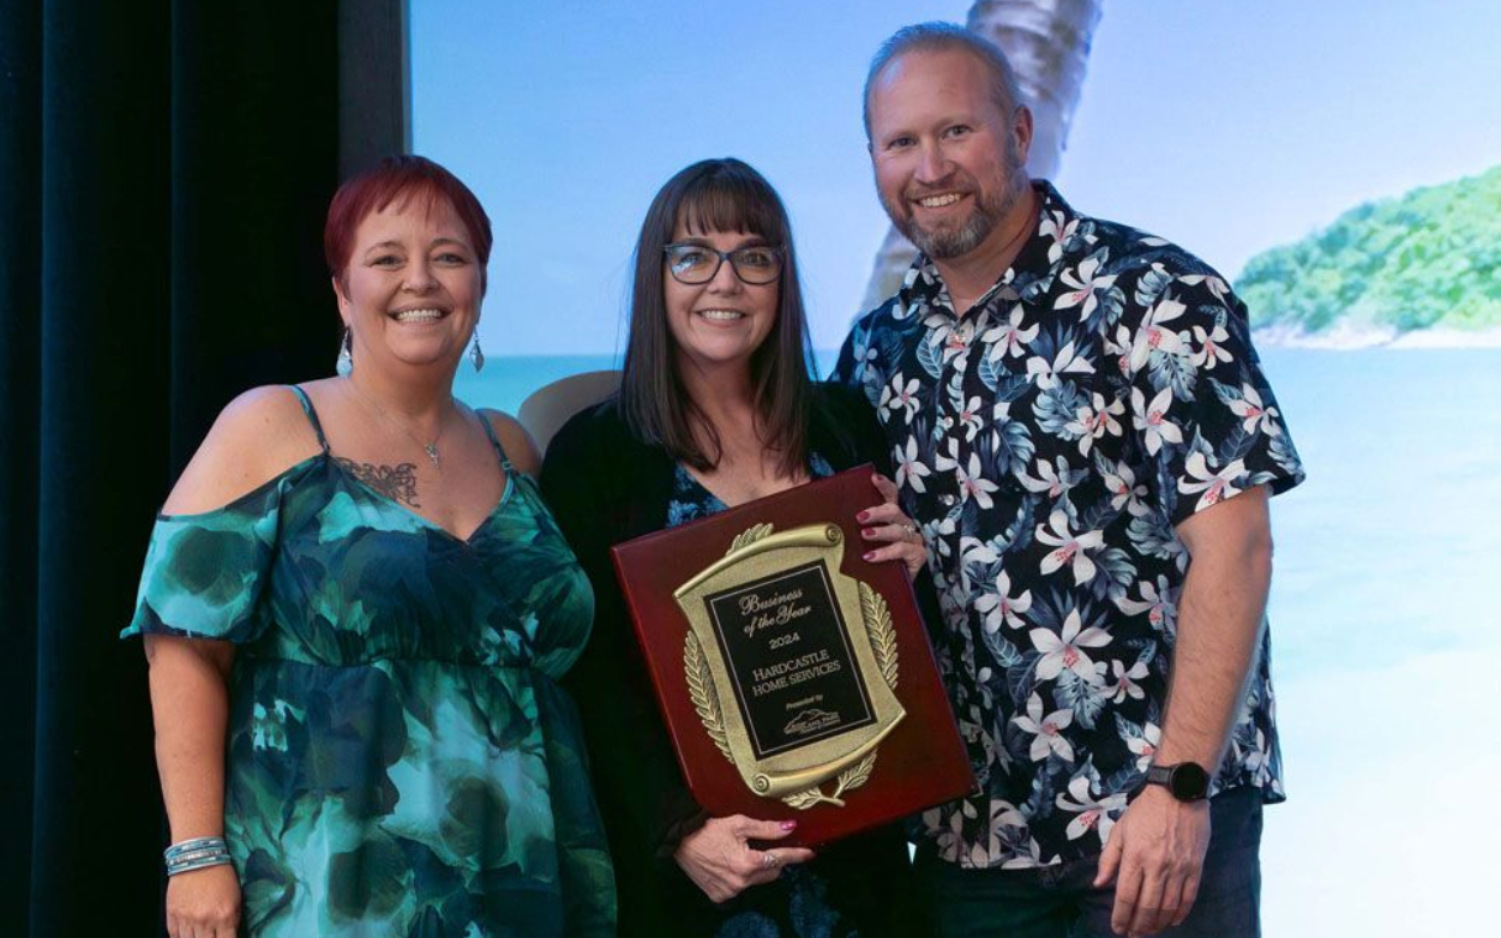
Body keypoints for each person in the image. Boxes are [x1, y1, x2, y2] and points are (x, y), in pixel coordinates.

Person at [832, 23, 1306, 938]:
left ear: (1016, 131)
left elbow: (1237, 548)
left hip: (1148, 830)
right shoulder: (876, 350)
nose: (929, 166)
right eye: (901, 142)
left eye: (955, 132)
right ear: (874, 160)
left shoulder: (1155, 294)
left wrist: (1180, 785)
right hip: (968, 848)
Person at [123, 155, 614, 938]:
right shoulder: (273, 425)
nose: (419, 280)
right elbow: (182, 646)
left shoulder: (513, 448)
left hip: (524, 873)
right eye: (387, 259)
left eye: (448, 257)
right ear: (341, 293)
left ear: (479, 287)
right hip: (335, 884)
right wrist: (195, 853)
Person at [542, 158, 930, 938]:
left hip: (861, 862)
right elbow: (587, 671)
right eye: (693, 255)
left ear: (780, 281)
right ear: (657, 277)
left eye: (753, 256)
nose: (725, 281)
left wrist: (913, 574)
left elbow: (897, 652)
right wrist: (677, 830)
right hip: (701, 878)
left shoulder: (843, 425)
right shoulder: (597, 455)